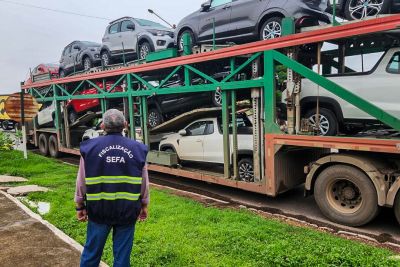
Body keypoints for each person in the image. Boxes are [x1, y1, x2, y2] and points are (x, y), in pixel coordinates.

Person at [75, 109, 149, 267]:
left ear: (102, 125)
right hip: (128, 211)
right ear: (125, 125)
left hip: (98, 210)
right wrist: (144, 204)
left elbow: (81, 180)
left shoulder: (90, 149)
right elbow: (144, 181)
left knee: (91, 254)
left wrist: (79, 205)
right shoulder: (138, 149)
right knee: (122, 259)